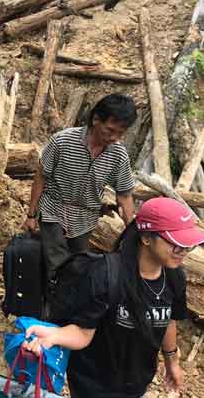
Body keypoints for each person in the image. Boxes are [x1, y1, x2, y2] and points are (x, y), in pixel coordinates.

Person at [24, 197, 204, 398]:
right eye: (176, 244)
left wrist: (171, 361)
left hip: (138, 380)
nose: (183, 252)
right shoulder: (105, 274)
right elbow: (82, 332)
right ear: (147, 238)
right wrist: (54, 336)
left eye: (187, 246)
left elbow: (169, 320)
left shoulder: (174, 277)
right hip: (94, 382)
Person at [23, 94, 137, 285]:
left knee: (78, 262)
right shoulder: (62, 141)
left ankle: (67, 297)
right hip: (54, 207)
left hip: (86, 217)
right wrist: (31, 214)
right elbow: (41, 176)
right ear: (95, 119)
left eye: (120, 133)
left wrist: (132, 229)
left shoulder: (118, 155)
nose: (114, 137)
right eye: (110, 130)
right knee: (57, 263)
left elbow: (124, 194)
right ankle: (54, 303)